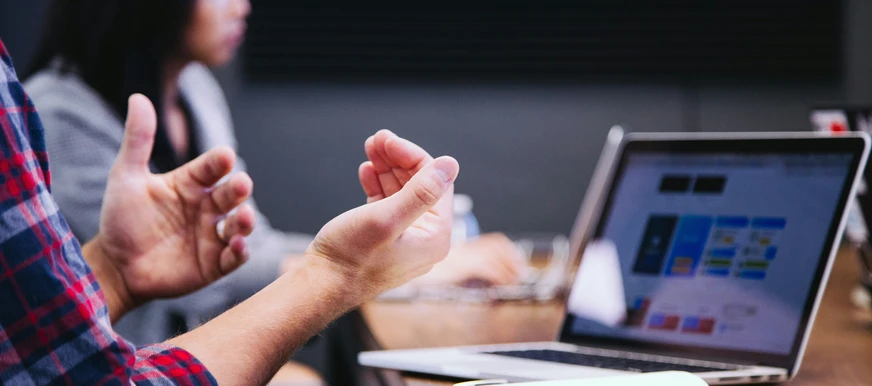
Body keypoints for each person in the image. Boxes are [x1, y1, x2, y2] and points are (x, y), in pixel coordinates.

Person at [24, 0, 525, 354]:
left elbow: (243, 244)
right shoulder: (56, 115)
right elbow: (213, 279)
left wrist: (380, 262)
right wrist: (391, 268)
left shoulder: (195, 90)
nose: (242, 6)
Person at [0, 36, 462, 384]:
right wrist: (341, 272)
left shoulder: (195, 88)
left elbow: (28, 345)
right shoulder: (59, 112)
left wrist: (115, 272)